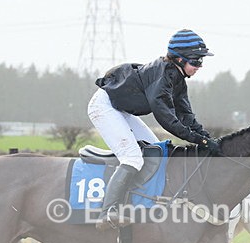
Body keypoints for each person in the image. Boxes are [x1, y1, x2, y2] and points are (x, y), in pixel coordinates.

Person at [88, 29, 219, 229]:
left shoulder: (177, 79)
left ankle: (143, 200)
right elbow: (168, 120)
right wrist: (199, 141)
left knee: (157, 151)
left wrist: (208, 138)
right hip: (104, 107)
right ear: (179, 59)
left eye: (201, 61)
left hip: (121, 109)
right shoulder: (162, 77)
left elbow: (186, 116)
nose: (199, 66)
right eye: (196, 61)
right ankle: (108, 212)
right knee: (132, 157)